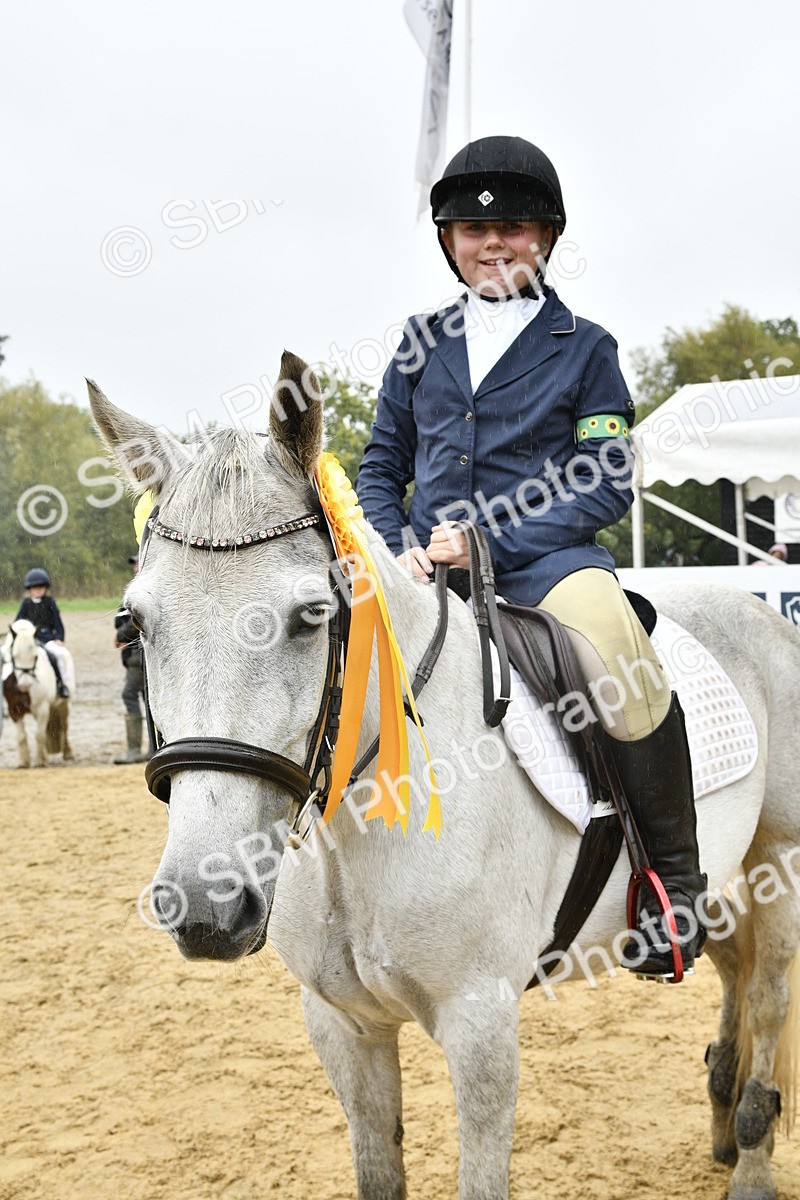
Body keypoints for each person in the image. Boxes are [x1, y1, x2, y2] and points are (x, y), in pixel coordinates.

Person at [356, 135, 706, 979]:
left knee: (622, 656)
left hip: (550, 565)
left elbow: (605, 484)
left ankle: (675, 888)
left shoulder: (586, 346)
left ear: (544, 237)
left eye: (513, 227)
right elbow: (379, 468)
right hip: (426, 567)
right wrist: (394, 546)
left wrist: (491, 542)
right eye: (474, 231)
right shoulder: (418, 341)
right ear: (450, 242)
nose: (493, 243)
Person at [113, 554, 149, 764]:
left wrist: (120, 635)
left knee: (129, 694)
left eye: (138, 562)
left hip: (139, 657)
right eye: (134, 563)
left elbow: (137, 617)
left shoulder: (144, 587)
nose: (135, 566)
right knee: (147, 698)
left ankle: (135, 750)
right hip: (136, 655)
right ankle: (151, 749)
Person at [16, 568, 70, 697]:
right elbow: (18, 622)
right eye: (34, 587)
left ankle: (61, 684)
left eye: (40, 587)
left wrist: (59, 638)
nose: (37, 589)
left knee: (56, 656)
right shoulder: (26, 604)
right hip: (29, 641)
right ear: (29, 589)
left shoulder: (50, 603)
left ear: (46, 588)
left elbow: (58, 623)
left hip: (47, 639)